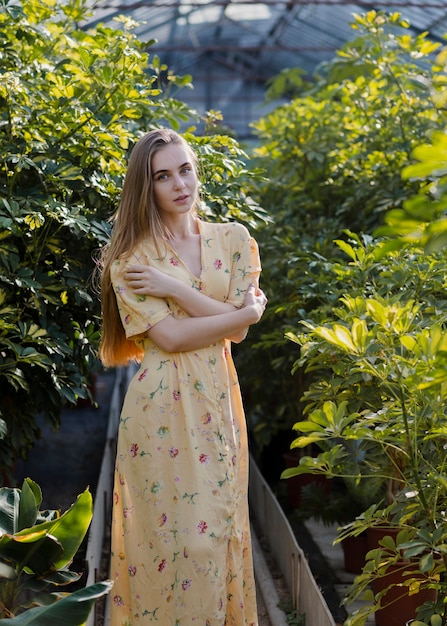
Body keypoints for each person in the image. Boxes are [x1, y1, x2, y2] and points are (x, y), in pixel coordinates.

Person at [99, 128, 267, 626]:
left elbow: (235, 335)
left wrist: (177, 289)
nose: (179, 184)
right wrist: (243, 315)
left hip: (218, 398)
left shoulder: (235, 238)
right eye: (163, 176)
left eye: (186, 169)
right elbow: (170, 339)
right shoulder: (131, 259)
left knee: (216, 534)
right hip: (159, 410)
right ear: (145, 186)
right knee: (174, 544)